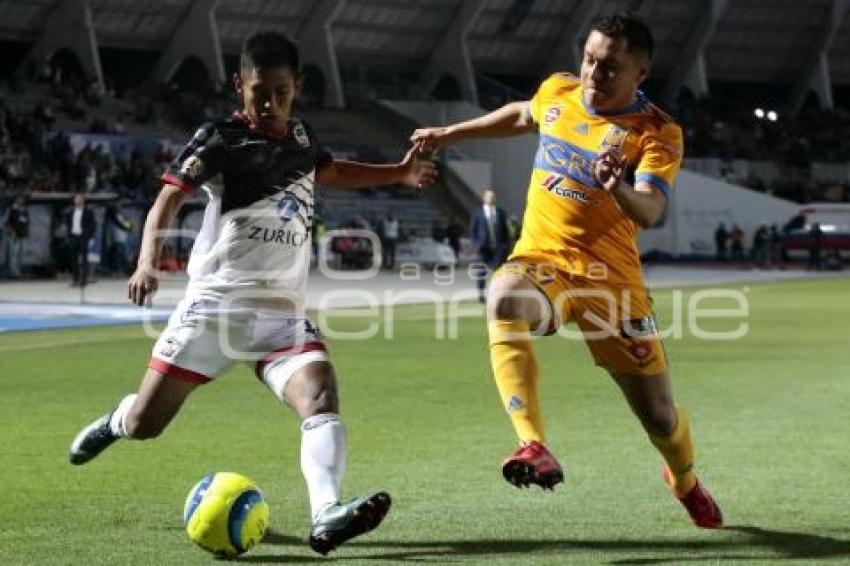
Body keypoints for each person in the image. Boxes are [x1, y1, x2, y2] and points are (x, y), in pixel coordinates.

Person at [68, 31, 437, 556]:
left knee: (321, 394)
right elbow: (167, 199)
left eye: (281, 92)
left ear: (297, 87)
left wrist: (398, 173)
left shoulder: (303, 140)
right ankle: (116, 421)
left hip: (281, 318)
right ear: (239, 85)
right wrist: (148, 259)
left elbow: (333, 170)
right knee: (147, 424)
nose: (269, 104)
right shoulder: (220, 138)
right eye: (259, 92)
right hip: (214, 310)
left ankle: (326, 514)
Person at [411, 12, 722, 529]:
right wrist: (449, 134)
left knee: (661, 419)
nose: (594, 75)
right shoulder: (559, 89)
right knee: (503, 295)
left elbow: (649, 210)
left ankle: (685, 481)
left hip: (613, 286)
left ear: (640, 74)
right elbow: (521, 115)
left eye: (610, 68)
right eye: (590, 59)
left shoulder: (657, 132)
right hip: (545, 265)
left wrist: (615, 185)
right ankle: (532, 443)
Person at [470, 189, 510, 303]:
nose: (491, 199)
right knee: (481, 272)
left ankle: (498, 293)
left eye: (493, 197)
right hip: (483, 248)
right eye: (488, 196)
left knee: (498, 272)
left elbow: (505, 230)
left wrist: (506, 245)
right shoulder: (478, 214)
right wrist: (476, 245)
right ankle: (481, 294)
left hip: (498, 248)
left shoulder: (500, 212)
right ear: (484, 198)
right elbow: (473, 230)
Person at [64, 193, 96, 286]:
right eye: (76, 199)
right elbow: (68, 224)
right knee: (74, 259)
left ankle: (83, 280)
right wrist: (69, 234)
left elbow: (92, 225)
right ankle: (75, 279)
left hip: (83, 237)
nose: (77, 201)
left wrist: (88, 235)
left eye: (79, 199)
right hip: (74, 236)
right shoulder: (71, 212)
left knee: (84, 259)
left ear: (83, 200)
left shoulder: (88, 211)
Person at [103, 200, 133, 276]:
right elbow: (120, 225)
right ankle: (119, 271)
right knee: (119, 256)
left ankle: (123, 271)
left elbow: (129, 224)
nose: (119, 207)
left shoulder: (122, 216)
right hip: (116, 240)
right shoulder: (112, 217)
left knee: (123, 256)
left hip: (123, 239)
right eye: (117, 206)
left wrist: (129, 227)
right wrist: (126, 228)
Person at [3, 193, 29, 278]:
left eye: (22, 199)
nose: (21, 200)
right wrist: (11, 232)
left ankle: (18, 271)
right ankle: (13, 272)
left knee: (20, 254)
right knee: (13, 254)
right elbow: (5, 223)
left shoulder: (24, 210)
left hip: (22, 234)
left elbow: (26, 222)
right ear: (15, 200)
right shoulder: (11, 209)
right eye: (19, 199)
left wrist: (26, 232)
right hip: (13, 235)